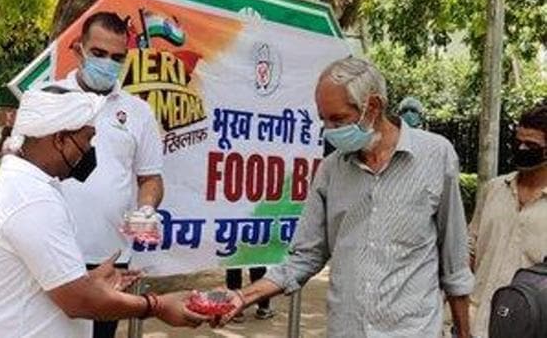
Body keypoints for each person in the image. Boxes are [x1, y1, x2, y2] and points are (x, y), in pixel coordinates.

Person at [215, 57, 475, 337]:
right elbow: (304, 256)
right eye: (324, 120)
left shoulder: (436, 155)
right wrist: (242, 297)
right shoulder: (330, 171)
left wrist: (464, 333)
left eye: (338, 119)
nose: (329, 130)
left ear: (372, 107)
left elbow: (455, 264)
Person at [0, 88, 207, 338]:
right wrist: (158, 306)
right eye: (88, 139)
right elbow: (79, 301)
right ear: (60, 139)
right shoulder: (32, 199)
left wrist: (87, 280)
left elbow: (44, 283)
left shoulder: (27, 184)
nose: (90, 150)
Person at [53, 12, 164, 338]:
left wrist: (146, 209)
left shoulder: (138, 112)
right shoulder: (49, 98)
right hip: (52, 253)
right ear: (79, 49)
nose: (107, 63)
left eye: (117, 57)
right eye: (99, 53)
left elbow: (150, 178)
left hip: (111, 258)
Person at [469, 104, 547, 337]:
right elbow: (471, 247)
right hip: (475, 322)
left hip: (527, 328)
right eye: (518, 141)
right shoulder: (494, 189)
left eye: (531, 145)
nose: (521, 148)